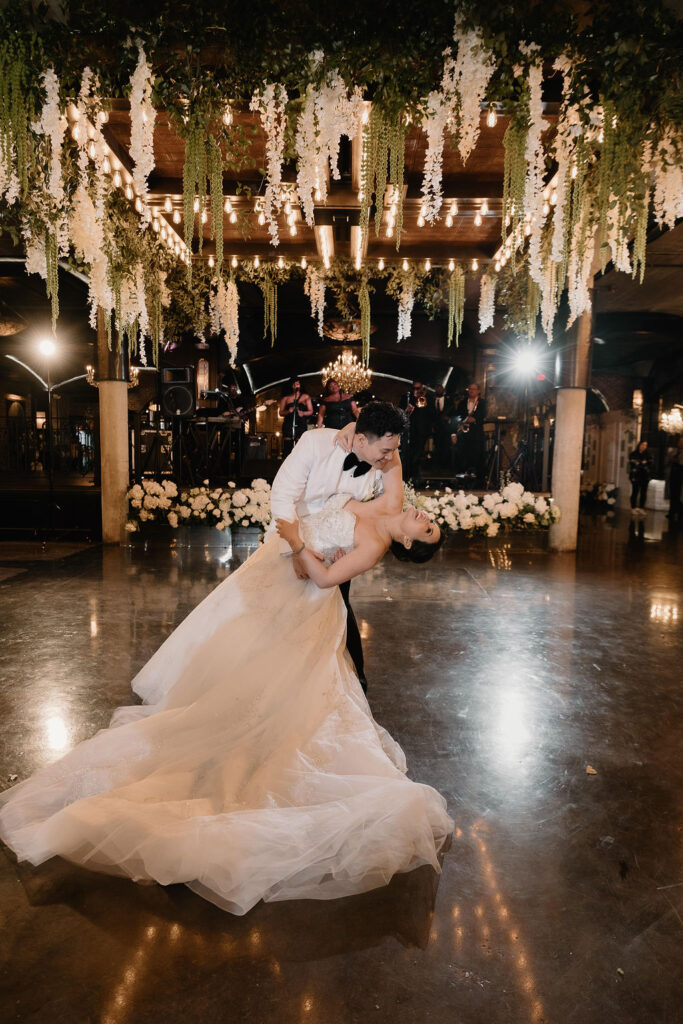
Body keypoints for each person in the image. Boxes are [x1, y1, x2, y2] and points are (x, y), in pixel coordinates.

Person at [0, 402, 452, 918]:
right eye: (434, 521)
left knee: (296, 680)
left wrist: (306, 554)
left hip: (309, 586)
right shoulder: (382, 488)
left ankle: (257, 741)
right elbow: (378, 460)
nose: (426, 518)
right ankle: (240, 720)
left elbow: (328, 576)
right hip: (286, 566)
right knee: (248, 656)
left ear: (410, 545)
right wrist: (359, 438)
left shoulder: (374, 542)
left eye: (429, 529)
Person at [271, 401, 406, 692]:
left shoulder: (381, 460)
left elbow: (387, 507)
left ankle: (348, 679)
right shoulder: (316, 443)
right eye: (385, 450)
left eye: (393, 449)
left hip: (337, 550)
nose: (391, 457)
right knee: (285, 618)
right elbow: (283, 495)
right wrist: (294, 550)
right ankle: (283, 685)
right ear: (360, 439)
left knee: (337, 612)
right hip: (293, 537)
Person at [451, 383, 487, 485]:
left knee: (476, 455)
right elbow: (457, 417)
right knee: (463, 455)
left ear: (478, 391)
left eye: (474, 389)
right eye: (470, 389)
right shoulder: (462, 403)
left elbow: (484, 415)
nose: (471, 391)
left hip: (476, 433)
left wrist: (475, 419)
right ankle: (463, 479)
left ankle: (476, 480)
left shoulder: (482, 403)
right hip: (464, 433)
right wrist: (455, 432)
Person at [399, 381, 434, 486]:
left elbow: (432, 414)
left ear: (422, 388)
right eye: (413, 388)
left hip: (421, 430)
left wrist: (426, 403)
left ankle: (415, 476)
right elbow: (400, 412)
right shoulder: (406, 397)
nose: (415, 390)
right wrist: (407, 409)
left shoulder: (428, 398)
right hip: (409, 430)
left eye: (418, 388)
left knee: (418, 454)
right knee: (407, 453)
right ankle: (407, 476)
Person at [279, 377, 313, 458]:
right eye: (294, 384)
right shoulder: (285, 398)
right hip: (288, 423)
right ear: (291, 386)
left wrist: (303, 413)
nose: (296, 385)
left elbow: (311, 411)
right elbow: (281, 412)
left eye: (297, 383)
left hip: (300, 423)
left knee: (299, 445)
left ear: (300, 385)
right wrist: (288, 411)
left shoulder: (305, 397)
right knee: (288, 446)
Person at [628, 440, 653, 515]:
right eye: (642, 445)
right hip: (635, 475)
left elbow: (650, 462)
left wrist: (643, 463)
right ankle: (633, 507)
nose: (644, 446)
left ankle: (642, 508)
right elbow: (633, 462)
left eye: (645, 445)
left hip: (644, 476)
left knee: (643, 492)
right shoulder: (633, 454)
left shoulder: (648, 454)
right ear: (639, 445)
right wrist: (642, 463)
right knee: (635, 491)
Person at [666, 436, 683, 523]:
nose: (681, 443)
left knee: (680, 495)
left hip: (681, 475)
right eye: (680, 441)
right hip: (673, 475)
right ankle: (672, 511)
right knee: (673, 494)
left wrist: (679, 461)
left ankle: (680, 512)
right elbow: (667, 461)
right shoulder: (673, 451)